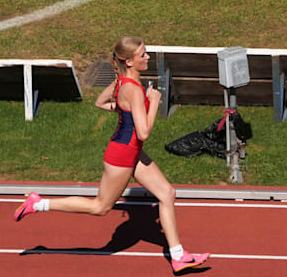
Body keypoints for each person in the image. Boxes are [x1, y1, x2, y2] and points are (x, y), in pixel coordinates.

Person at [14, 36, 210, 273]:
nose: (147, 57)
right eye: (143, 55)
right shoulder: (135, 90)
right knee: (100, 207)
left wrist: (124, 112)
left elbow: (100, 102)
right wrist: (155, 102)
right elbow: (144, 132)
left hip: (130, 150)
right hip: (122, 155)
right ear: (129, 61)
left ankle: (178, 256)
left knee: (167, 193)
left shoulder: (121, 80)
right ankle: (39, 203)